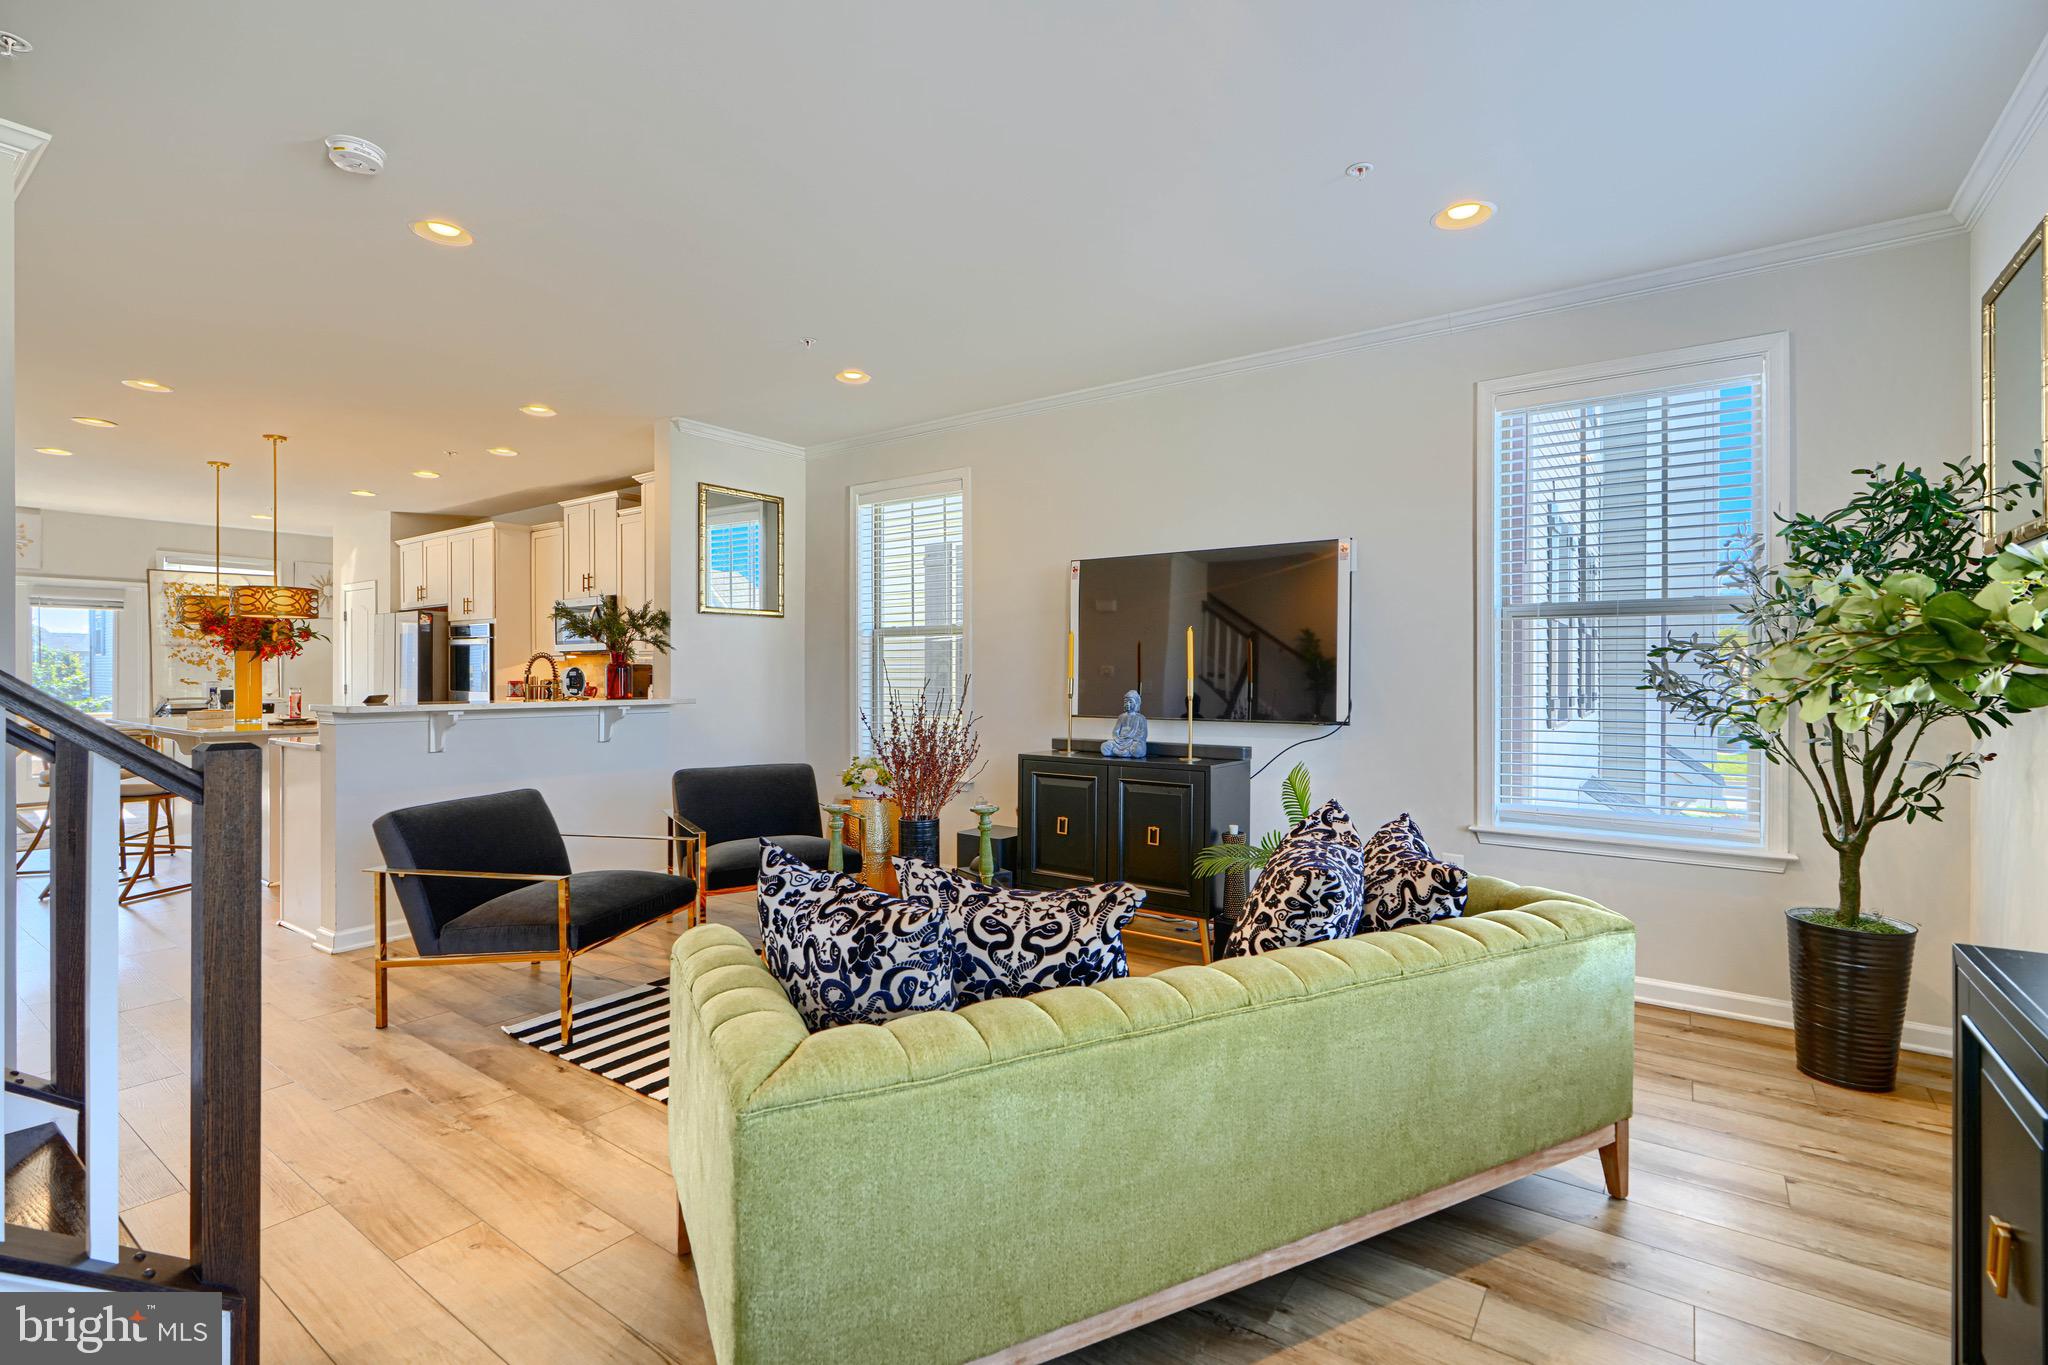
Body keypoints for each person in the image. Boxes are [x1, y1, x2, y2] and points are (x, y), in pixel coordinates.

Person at [1102, 689, 1148, 757]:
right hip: (1120, 742)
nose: (1127, 704)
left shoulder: (1141, 718)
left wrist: (1133, 739)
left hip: (1132, 742)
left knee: (1137, 749)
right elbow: (1116, 731)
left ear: (1136, 703)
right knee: (1104, 746)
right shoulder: (1121, 717)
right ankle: (1124, 752)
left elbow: (1142, 734)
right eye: (1126, 702)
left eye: (1130, 702)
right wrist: (1118, 739)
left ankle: (1121, 751)